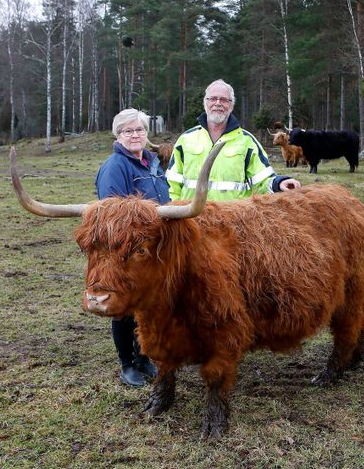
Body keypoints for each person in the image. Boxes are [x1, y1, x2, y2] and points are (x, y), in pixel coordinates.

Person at [95, 108, 169, 387]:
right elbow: (112, 216)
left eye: (139, 130)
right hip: (128, 252)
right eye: (128, 131)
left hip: (154, 249)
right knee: (124, 308)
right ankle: (127, 363)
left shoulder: (152, 163)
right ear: (118, 135)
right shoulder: (115, 166)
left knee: (147, 306)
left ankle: (144, 358)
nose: (135, 135)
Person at [166, 79, 300, 201]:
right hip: (192, 222)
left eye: (224, 100)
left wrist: (279, 183)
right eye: (213, 99)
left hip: (232, 221)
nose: (217, 103)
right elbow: (171, 184)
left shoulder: (247, 142)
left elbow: (262, 180)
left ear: (231, 106)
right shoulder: (185, 139)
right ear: (205, 103)